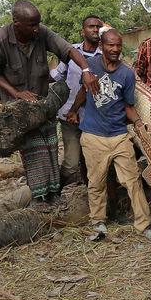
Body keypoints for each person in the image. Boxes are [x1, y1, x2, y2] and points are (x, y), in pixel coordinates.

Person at [0, 0, 99, 212]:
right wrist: (17, 93)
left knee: (50, 148)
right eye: (31, 25)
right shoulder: (0, 40)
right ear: (16, 22)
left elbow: (68, 50)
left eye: (38, 24)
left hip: (43, 105)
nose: (36, 29)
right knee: (35, 151)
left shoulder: (41, 32)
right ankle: (38, 198)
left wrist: (85, 70)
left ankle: (54, 194)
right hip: (18, 110)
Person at [66, 28, 151, 240]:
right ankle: (98, 222)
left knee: (133, 180)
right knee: (96, 182)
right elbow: (83, 91)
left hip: (118, 136)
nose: (115, 49)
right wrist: (72, 111)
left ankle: (144, 225)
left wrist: (137, 122)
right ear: (102, 46)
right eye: (111, 45)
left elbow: (128, 105)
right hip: (92, 136)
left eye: (118, 45)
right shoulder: (90, 67)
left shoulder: (127, 74)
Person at [51, 15, 103, 186]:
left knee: (93, 162)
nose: (95, 30)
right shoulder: (71, 52)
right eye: (91, 26)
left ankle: (92, 196)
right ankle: (54, 193)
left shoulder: (106, 54)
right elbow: (57, 75)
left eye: (98, 27)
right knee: (71, 163)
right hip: (69, 117)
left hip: (93, 118)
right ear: (83, 31)